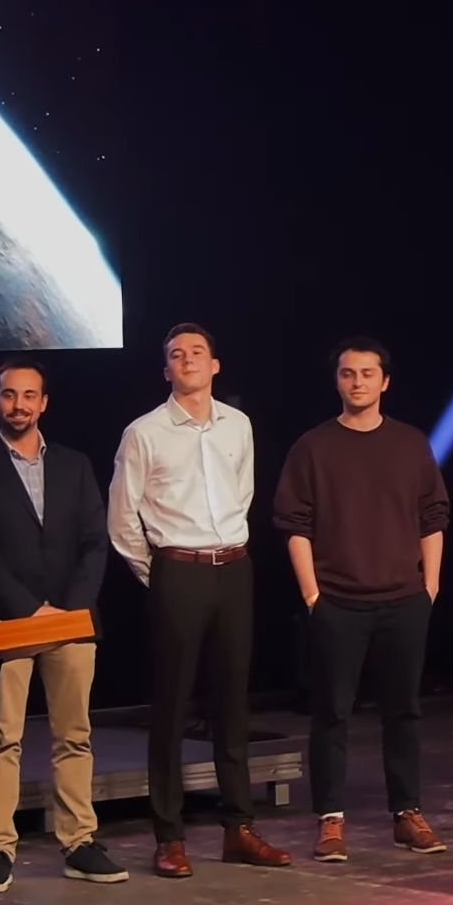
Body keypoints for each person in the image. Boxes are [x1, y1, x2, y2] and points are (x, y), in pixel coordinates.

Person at [108, 324, 291, 877]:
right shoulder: (144, 432)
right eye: (175, 356)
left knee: (233, 703)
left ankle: (239, 828)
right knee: (171, 706)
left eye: (197, 353)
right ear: (166, 371)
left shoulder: (238, 425)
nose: (187, 360)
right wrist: (161, 574)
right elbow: (123, 519)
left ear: (215, 365)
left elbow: (244, 492)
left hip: (233, 568)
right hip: (178, 572)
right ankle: (169, 836)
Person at [274, 336, 450, 862]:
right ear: (337, 381)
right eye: (349, 374)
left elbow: (433, 516)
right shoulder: (313, 446)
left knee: (404, 711)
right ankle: (331, 820)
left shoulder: (410, 443)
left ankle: (407, 813)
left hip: (404, 597)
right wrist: (312, 594)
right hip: (338, 601)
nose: (358, 382)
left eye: (367, 373)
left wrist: (430, 586)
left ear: (385, 381)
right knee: (332, 713)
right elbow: (293, 523)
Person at [0, 359, 124, 892]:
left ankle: (78, 841)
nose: (19, 405)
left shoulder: (74, 465)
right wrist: (29, 611)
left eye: (29, 396)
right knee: (3, 738)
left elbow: (96, 542)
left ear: (44, 403)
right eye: (9, 395)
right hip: (8, 622)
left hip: (71, 621)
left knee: (75, 735)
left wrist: (67, 610)